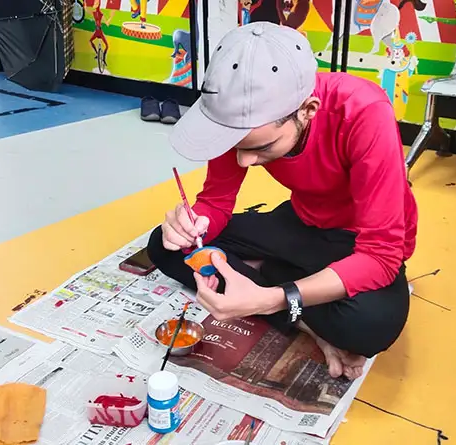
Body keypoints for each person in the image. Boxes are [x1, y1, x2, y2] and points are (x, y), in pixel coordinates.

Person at [147, 22, 417, 380]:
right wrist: (195, 223)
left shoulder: (363, 110)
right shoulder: (237, 118)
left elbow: (380, 254)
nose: (244, 161)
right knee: (164, 245)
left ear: (308, 110)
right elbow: (216, 200)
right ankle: (308, 322)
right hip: (300, 221)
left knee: (372, 326)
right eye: (235, 148)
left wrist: (273, 298)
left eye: (261, 148)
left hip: (357, 238)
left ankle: (275, 281)